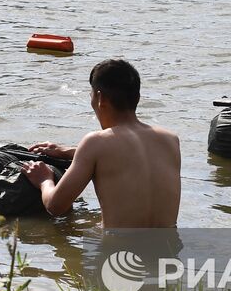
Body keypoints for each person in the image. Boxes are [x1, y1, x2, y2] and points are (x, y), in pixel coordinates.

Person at [23, 59, 182, 229]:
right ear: (138, 97)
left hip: (119, 253)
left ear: (100, 98)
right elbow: (135, 160)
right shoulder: (170, 140)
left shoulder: (95, 143)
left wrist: (44, 180)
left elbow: (55, 206)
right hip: (168, 250)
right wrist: (71, 152)